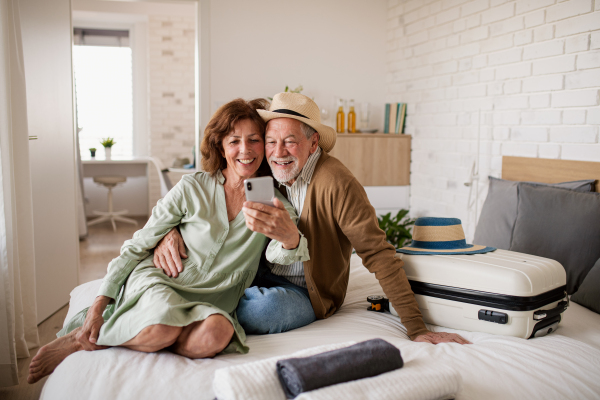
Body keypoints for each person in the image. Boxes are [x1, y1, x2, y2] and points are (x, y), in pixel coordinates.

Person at [27, 98, 309, 384]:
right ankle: (84, 340)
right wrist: (100, 305)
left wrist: (290, 238)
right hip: (164, 280)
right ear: (220, 147)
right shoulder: (192, 187)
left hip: (214, 297)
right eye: (234, 140)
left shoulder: (276, 204)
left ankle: (149, 333)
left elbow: (279, 255)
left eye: (254, 140)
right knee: (161, 328)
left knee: (218, 333)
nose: (245, 150)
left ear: (265, 145)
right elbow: (137, 245)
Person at [154, 92, 469, 345]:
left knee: (263, 310)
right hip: (255, 274)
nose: (278, 151)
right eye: (270, 141)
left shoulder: (337, 182)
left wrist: (416, 327)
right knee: (200, 274)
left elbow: (377, 251)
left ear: (313, 143)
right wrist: (170, 231)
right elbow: (203, 200)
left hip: (305, 289)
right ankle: (197, 307)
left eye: (290, 141)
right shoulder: (265, 169)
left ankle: (196, 312)